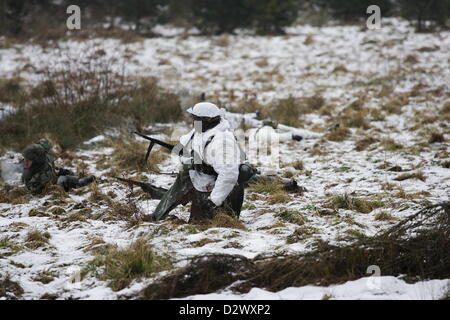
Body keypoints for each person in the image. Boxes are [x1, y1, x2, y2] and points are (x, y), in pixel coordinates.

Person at [144, 102, 247, 222]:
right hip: (202, 178)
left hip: (223, 189)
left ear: (208, 120)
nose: (193, 121)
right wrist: (189, 159)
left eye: (196, 119)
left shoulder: (223, 141)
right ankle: (157, 215)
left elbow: (228, 175)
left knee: (201, 226)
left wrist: (213, 201)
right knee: (185, 172)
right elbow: (184, 147)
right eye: (193, 118)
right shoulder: (198, 131)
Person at [21, 139, 96, 195]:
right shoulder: (41, 158)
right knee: (65, 179)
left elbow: (50, 169)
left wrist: (62, 170)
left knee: (63, 176)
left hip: (35, 188)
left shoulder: (31, 160)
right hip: (43, 189)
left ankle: (78, 180)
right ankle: (86, 180)